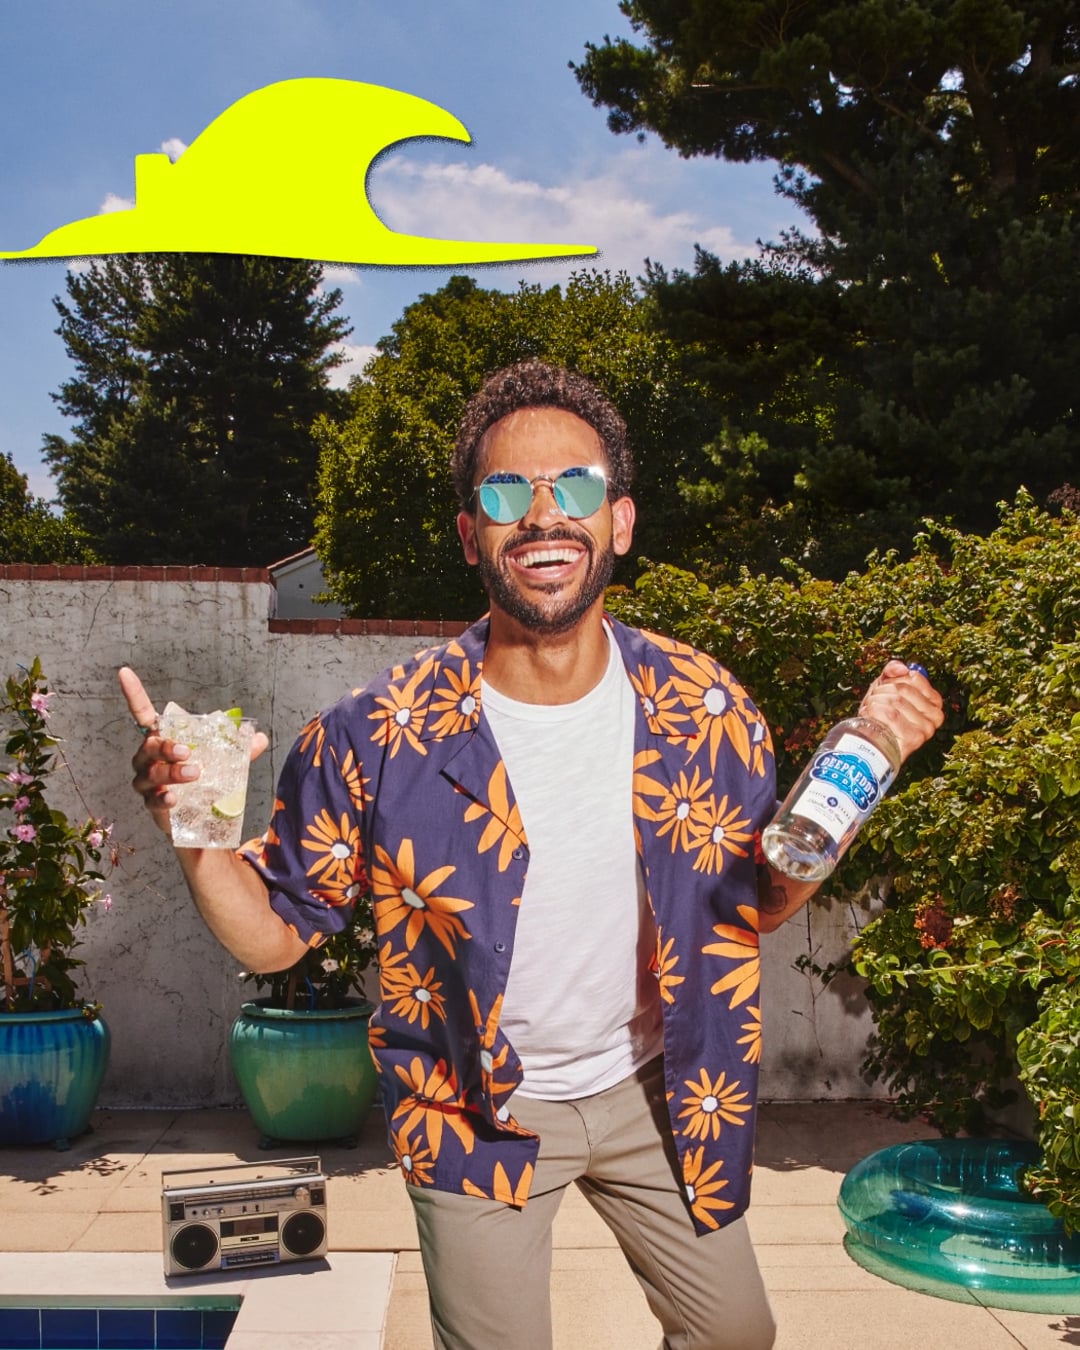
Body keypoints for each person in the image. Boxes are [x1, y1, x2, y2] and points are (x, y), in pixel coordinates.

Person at [121, 360, 944, 1350]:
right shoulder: (376, 734)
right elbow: (271, 942)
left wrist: (865, 769)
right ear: (474, 533)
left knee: (737, 1334)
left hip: (660, 1088)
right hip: (474, 1105)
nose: (546, 516)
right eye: (510, 492)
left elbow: (758, 900)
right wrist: (197, 826)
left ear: (621, 521)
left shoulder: (708, 708)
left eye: (578, 488)